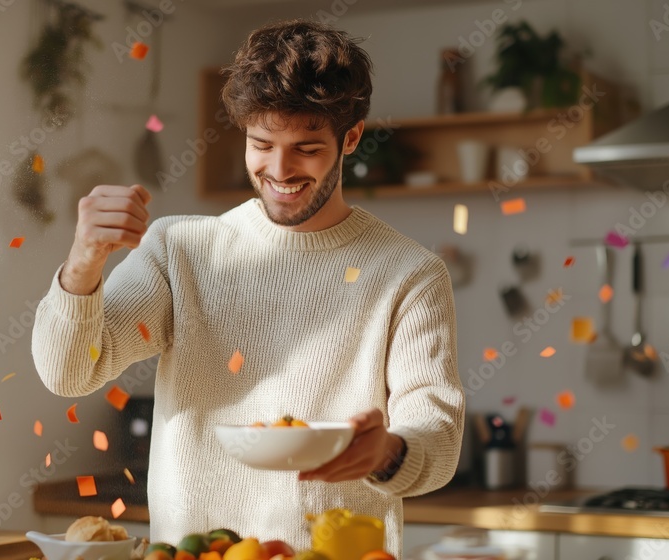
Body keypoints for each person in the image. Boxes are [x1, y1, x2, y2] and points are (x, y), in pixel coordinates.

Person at [31, 19, 464, 555]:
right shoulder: (179, 249)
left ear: (350, 138)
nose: (280, 170)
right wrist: (83, 262)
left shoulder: (409, 272)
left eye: (307, 148)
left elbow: (438, 437)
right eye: (262, 143)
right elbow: (69, 371)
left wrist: (389, 452)